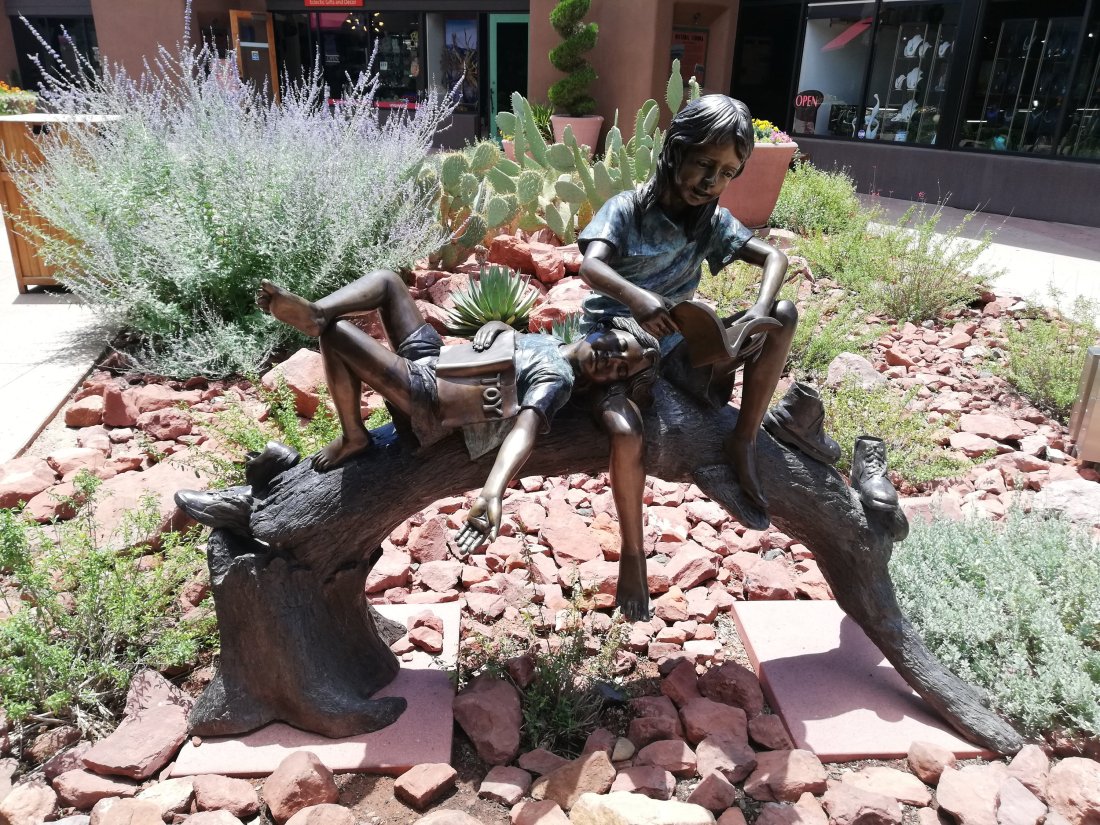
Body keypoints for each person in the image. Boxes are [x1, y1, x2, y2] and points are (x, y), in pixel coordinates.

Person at [256, 270, 656, 560]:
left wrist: (492, 491)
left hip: (430, 397)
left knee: (338, 334)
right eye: (619, 345)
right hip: (438, 360)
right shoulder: (551, 343)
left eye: (620, 370)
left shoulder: (558, 377)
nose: (612, 359)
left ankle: (353, 435)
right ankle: (317, 311)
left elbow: (526, 428)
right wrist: (499, 326)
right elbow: (514, 351)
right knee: (389, 283)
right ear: (602, 328)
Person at [578, 94, 816, 543]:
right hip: (619, 336)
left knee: (783, 313)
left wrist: (759, 310)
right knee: (629, 358)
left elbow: (775, 258)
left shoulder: (710, 221)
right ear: (675, 151)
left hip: (678, 346)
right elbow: (591, 266)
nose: (711, 181)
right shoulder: (627, 208)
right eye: (705, 163)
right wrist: (637, 298)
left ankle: (744, 437)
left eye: (726, 172)